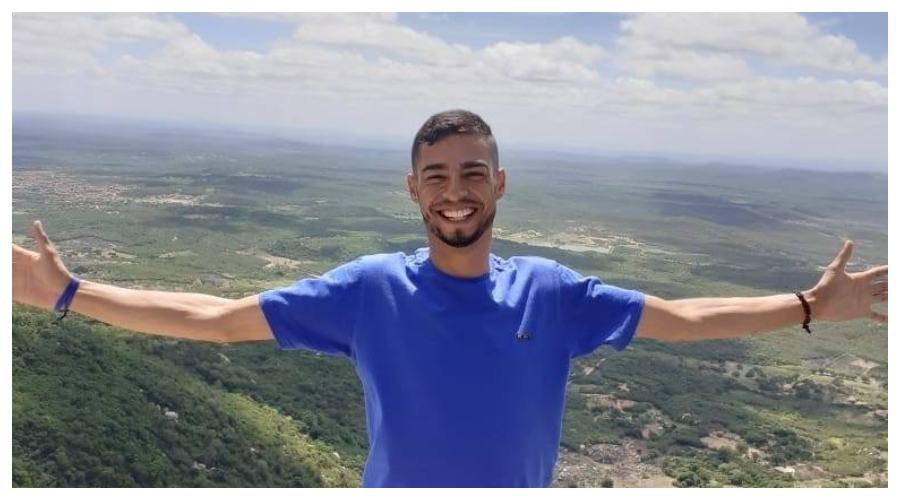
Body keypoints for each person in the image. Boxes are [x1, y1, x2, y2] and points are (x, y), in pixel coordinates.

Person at [11, 110, 888, 488]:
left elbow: (687, 319)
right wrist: (70, 293)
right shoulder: (369, 289)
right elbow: (215, 318)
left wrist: (812, 307)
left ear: (499, 183)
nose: (455, 191)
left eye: (472, 173)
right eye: (437, 175)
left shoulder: (552, 292)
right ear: (413, 189)